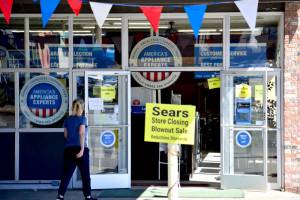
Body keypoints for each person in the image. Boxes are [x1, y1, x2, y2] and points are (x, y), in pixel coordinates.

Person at [56, 99, 97, 200]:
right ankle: (88, 196)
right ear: (82, 108)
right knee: (85, 175)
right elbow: (82, 133)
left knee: (66, 175)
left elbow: (65, 135)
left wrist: (72, 140)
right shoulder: (83, 119)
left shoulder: (67, 120)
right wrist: (82, 149)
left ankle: (60, 197)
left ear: (72, 107)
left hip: (69, 149)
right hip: (81, 149)